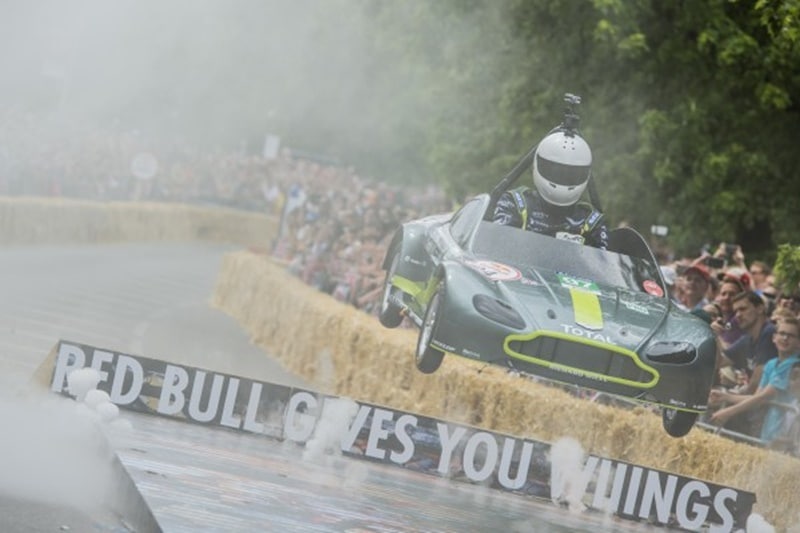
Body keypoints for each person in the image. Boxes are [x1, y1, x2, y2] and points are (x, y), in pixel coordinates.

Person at [492, 130, 608, 249]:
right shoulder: (515, 204)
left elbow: (603, 264)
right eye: (556, 171)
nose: (563, 178)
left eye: (571, 174)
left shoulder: (591, 221)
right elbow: (497, 247)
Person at [710, 317, 800, 444]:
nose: (785, 338)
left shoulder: (795, 365)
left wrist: (729, 411)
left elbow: (763, 398)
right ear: (774, 338)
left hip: (787, 434)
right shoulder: (771, 364)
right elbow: (756, 397)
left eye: (791, 335)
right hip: (769, 431)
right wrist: (726, 397)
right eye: (782, 333)